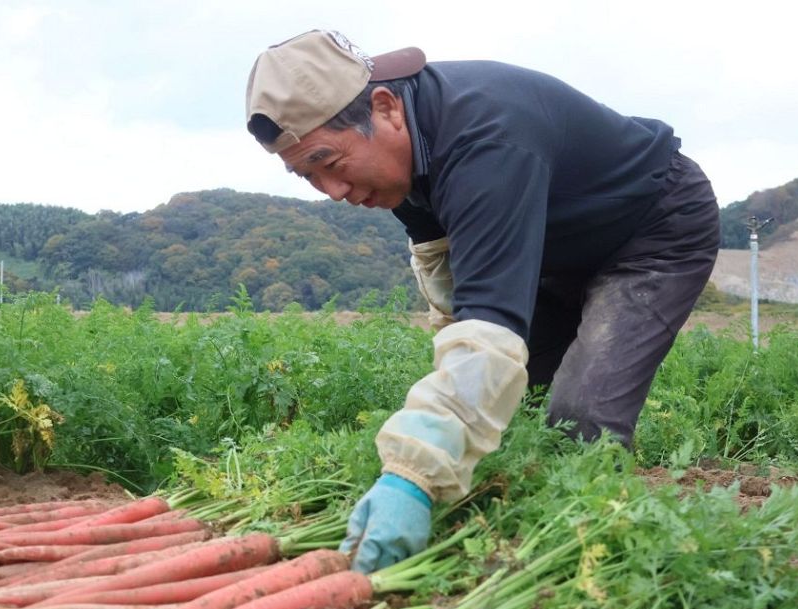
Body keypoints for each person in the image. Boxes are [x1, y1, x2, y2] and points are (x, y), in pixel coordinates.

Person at [245, 30, 721, 573]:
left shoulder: (484, 142)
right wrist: (453, 393)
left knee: (580, 418)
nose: (332, 191)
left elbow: (490, 323)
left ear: (384, 108)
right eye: (308, 175)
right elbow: (454, 287)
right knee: (513, 410)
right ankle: (522, 534)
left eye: (329, 161)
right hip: (553, 249)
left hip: (651, 231)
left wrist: (412, 476)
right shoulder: (400, 162)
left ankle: (600, 563)